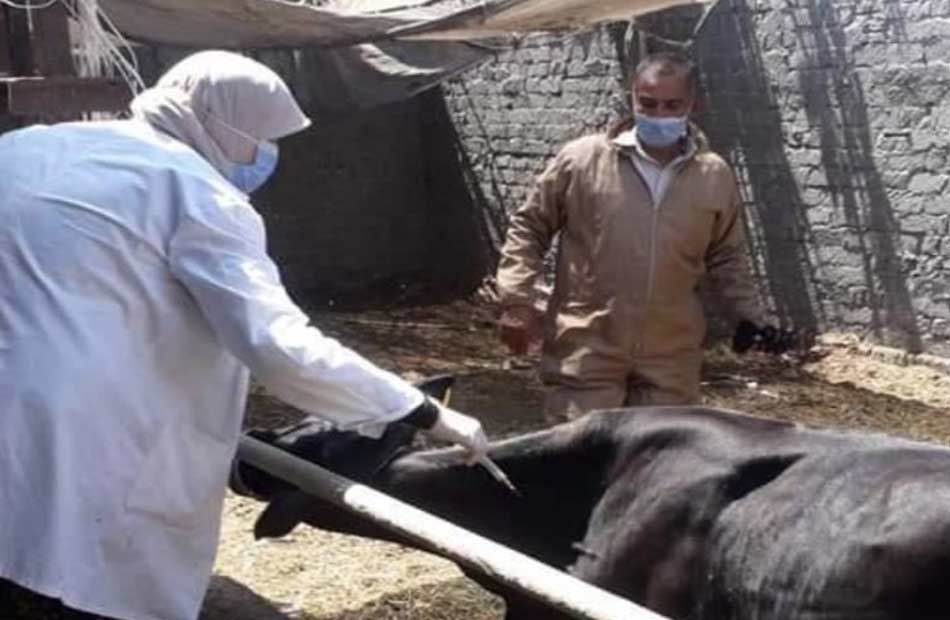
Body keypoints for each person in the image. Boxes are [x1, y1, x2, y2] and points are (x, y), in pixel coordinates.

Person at [0, 51, 487, 620]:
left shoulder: (29, 148)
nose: (268, 154)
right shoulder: (198, 195)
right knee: (57, 581)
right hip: (64, 448)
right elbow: (275, 344)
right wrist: (420, 410)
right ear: (225, 125)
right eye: (263, 138)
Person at [496, 51, 770, 420]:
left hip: (670, 356)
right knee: (583, 449)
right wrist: (516, 301)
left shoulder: (712, 176)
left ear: (692, 105)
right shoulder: (583, 161)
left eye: (672, 105)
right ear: (632, 98)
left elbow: (726, 256)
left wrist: (748, 318)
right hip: (588, 346)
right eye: (648, 103)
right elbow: (530, 226)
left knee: (661, 451)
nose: (659, 114)